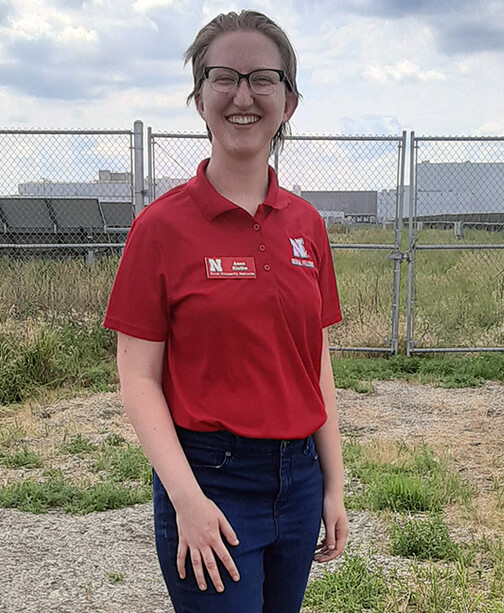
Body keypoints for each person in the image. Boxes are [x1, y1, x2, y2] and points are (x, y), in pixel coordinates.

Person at [103, 9, 348, 612]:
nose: (244, 96)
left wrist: (333, 485)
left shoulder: (307, 225)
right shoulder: (160, 229)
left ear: (289, 102)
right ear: (199, 96)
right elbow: (138, 380)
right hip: (211, 478)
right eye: (224, 77)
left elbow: (313, 362)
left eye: (263, 79)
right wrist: (187, 500)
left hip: (298, 479)